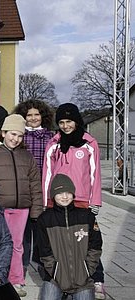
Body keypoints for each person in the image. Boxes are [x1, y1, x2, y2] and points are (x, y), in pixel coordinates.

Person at [0, 114, 43, 297]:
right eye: (12, 134)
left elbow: (35, 184)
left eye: (20, 136)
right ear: (3, 132)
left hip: (21, 208)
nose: (16, 139)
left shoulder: (26, 156)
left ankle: (16, 280)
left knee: (17, 245)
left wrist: (36, 209)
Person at [42, 103, 106, 300]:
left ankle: (96, 280)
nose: (65, 126)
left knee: (86, 241)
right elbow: (47, 173)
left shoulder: (89, 143)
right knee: (59, 240)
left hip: (81, 199)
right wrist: (46, 200)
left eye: (69, 121)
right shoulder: (53, 143)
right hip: (58, 199)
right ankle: (59, 279)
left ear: (76, 121)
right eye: (61, 122)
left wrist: (95, 200)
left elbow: (95, 174)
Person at [38, 173, 102, 300]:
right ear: (53, 195)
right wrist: (55, 271)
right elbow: (44, 252)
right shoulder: (44, 219)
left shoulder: (87, 216)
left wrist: (87, 270)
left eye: (68, 192)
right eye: (60, 193)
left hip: (82, 280)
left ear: (73, 194)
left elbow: (96, 245)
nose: (65, 196)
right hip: (55, 279)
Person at [13, 99, 55, 276]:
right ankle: (20, 266)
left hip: (44, 188)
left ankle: (41, 262)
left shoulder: (51, 137)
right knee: (22, 231)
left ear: (43, 116)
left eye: (36, 114)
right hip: (23, 187)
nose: (32, 118)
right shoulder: (19, 136)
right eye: (28, 115)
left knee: (41, 229)